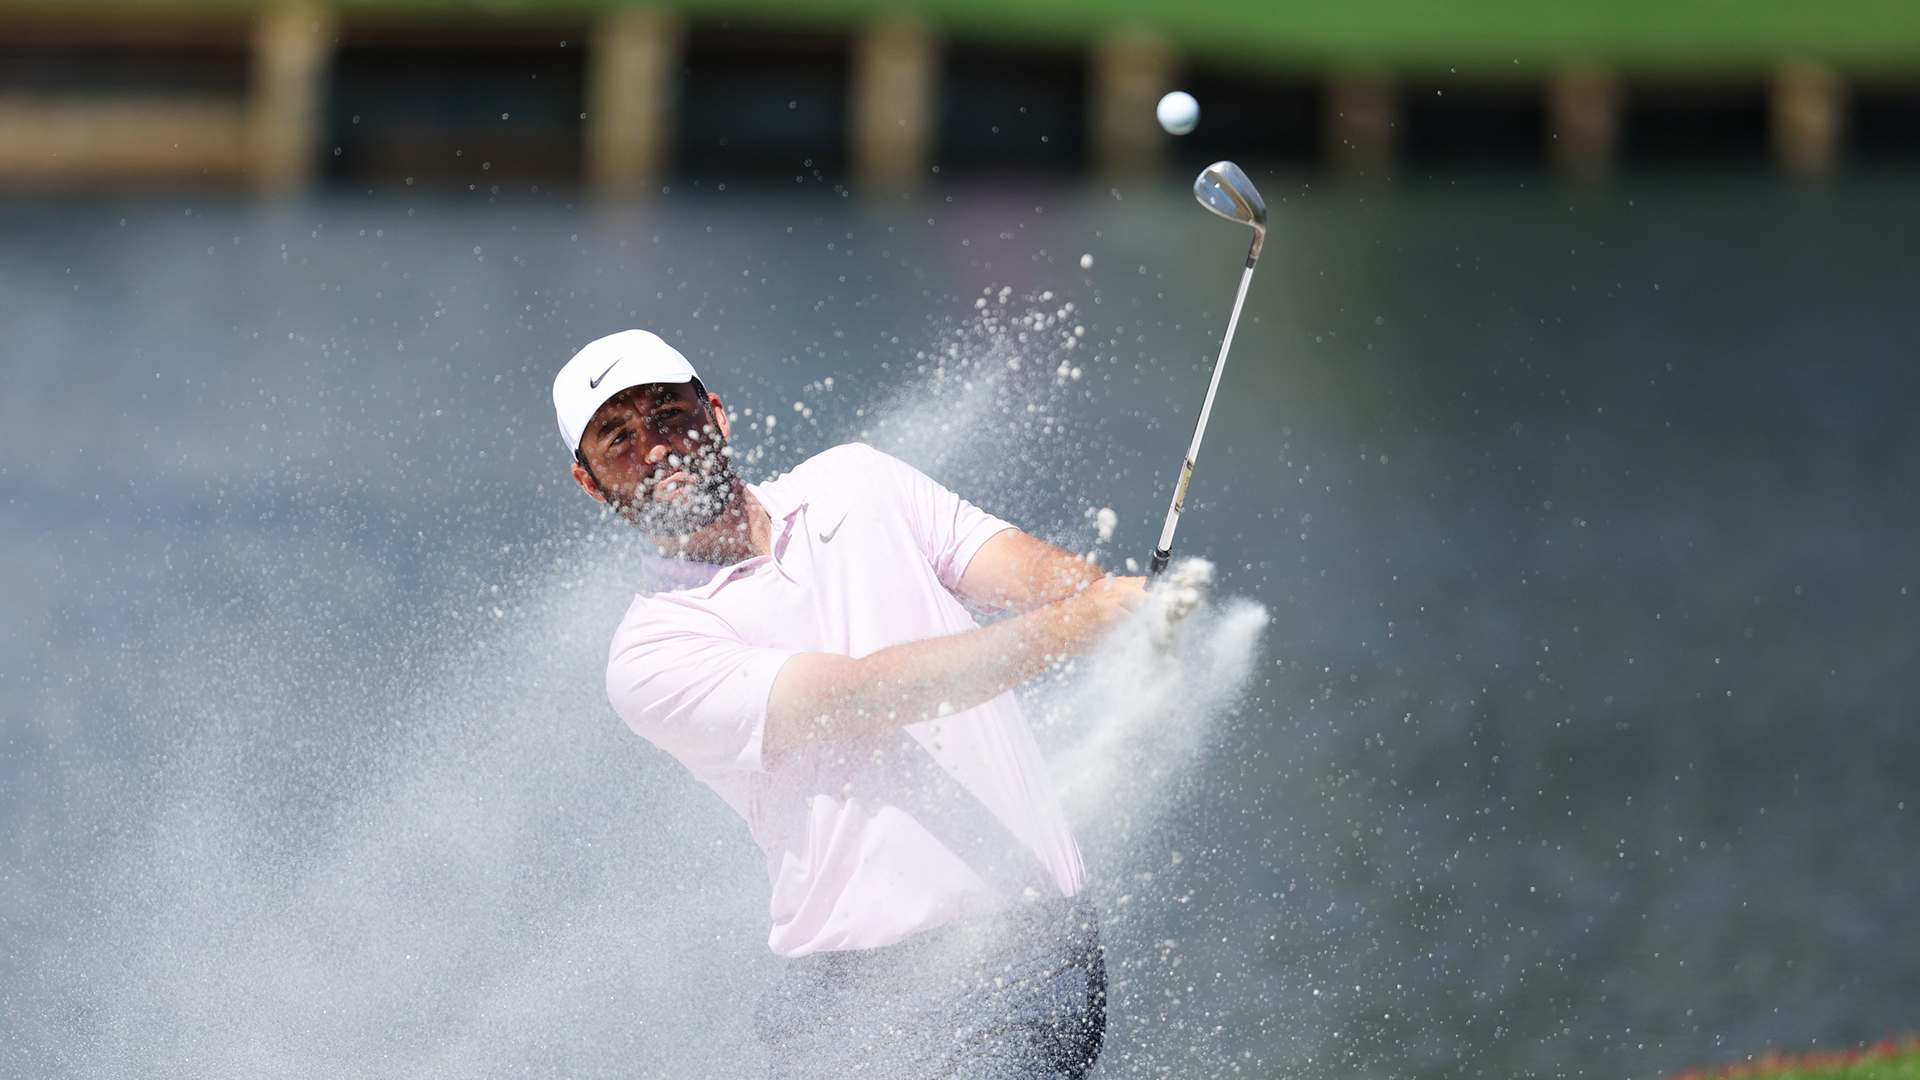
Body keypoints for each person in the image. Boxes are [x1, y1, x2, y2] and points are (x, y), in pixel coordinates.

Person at [552, 328, 1146, 1079]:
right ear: (590, 482)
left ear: (718, 415)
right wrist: (1073, 628)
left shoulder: (857, 480)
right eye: (619, 439)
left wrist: (1107, 600)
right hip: (844, 1011)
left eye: (670, 413)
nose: (657, 448)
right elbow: (859, 694)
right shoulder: (652, 653)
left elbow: (1016, 568)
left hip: (1019, 965)